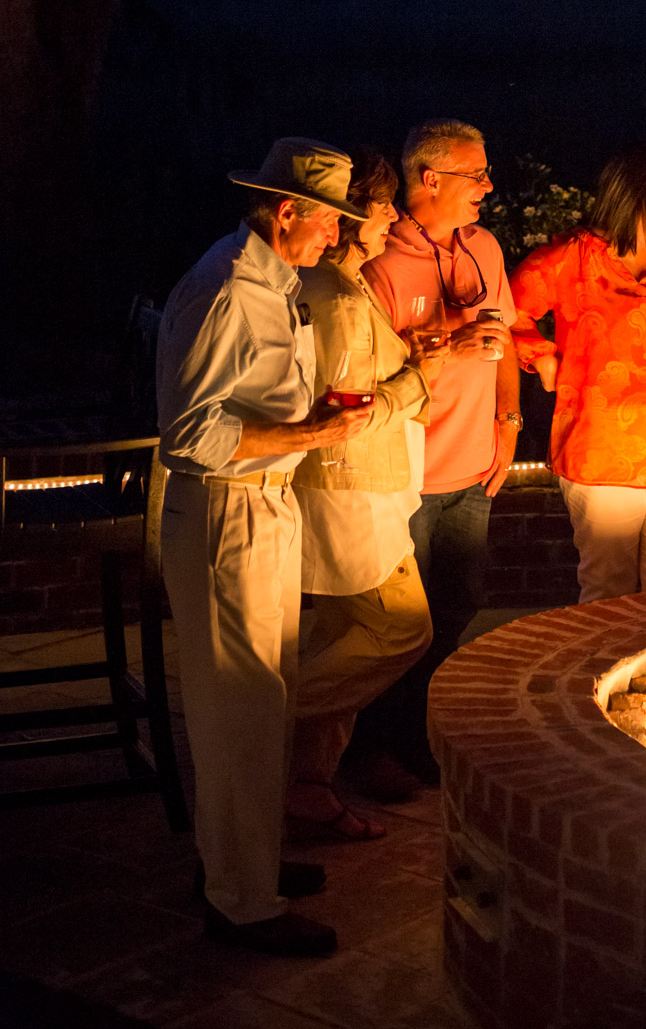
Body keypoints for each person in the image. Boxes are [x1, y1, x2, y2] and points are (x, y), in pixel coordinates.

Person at [157, 139, 372, 958]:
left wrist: (306, 421)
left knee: (264, 703)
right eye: (329, 223)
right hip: (226, 514)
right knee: (238, 709)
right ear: (288, 213)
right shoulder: (224, 290)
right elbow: (191, 433)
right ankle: (241, 902)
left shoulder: (276, 285)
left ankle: (243, 865)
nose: (336, 239)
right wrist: (308, 430)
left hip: (268, 504)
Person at [289, 148, 444, 832]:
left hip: (360, 488)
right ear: (350, 217)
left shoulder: (340, 289)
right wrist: (423, 375)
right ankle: (259, 717)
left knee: (337, 635)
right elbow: (348, 412)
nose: (390, 217)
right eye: (380, 206)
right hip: (356, 492)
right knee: (401, 627)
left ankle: (307, 790)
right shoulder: (340, 302)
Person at [360, 119, 520, 779]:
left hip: (473, 469)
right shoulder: (381, 264)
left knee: (459, 603)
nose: (487, 185)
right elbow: (367, 369)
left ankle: (417, 732)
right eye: (474, 174)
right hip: (408, 478)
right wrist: (445, 339)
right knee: (398, 625)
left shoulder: (483, 247)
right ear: (431, 179)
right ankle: (373, 747)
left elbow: (504, 338)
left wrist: (508, 422)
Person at [510, 147, 646, 602]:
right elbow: (504, 312)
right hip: (601, 451)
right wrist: (541, 357)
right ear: (635, 194)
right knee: (606, 591)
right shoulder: (571, 258)